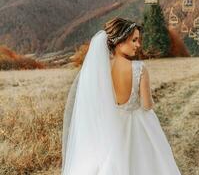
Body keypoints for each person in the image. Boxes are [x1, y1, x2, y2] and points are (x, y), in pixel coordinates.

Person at [61, 17, 182, 175]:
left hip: (110, 127)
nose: (138, 45)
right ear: (119, 42)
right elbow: (146, 105)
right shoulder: (139, 68)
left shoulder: (99, 70)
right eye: (134, 40)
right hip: (139, 128)